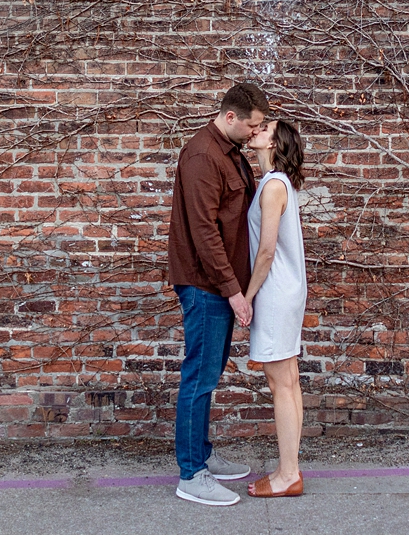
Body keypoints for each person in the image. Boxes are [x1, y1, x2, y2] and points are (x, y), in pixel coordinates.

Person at [166, 81, 271, 507]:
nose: (255, 132)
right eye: (253, 125)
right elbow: (204, 232)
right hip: (206, 284)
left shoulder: (229, 152)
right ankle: (191, 474)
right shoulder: (202, 156)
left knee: (207, 375)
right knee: (199, 377)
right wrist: (234, 292)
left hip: (219, 284)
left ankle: (203, 456)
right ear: (230, 117)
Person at [242, 119, 309, 499]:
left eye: (264, 127)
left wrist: (247, 296)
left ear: (275, 142)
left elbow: (266, 252)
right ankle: (290, 469)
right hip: (287, 291)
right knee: (289, 381)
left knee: (280, 383)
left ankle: (287, 475)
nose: (256, 128)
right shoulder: (278, 183)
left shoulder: (272, 187)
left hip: (274, 293)